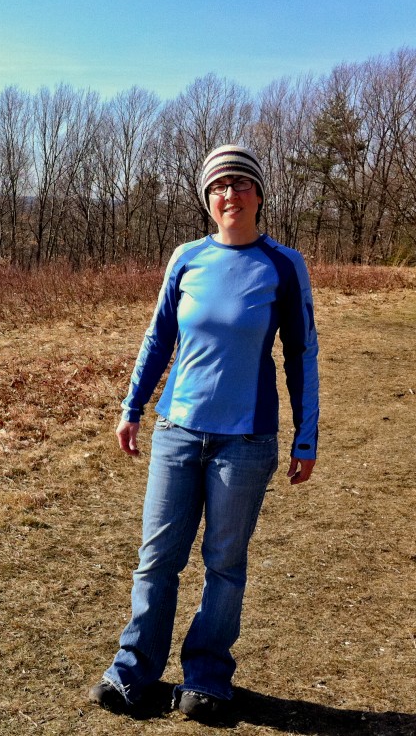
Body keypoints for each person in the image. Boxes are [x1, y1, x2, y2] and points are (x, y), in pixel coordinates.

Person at [88, 145, 319, 722]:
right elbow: (157, 338)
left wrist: (306, 435)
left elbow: (302, 353)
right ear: (207, 199)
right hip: (178, 431)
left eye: (241, 184)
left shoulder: (283, 265)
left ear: (259, 195)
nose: (230, 194)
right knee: (156, 558)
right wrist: (132, 406)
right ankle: (133, 673)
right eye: (219, 186)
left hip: (246, 442)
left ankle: (207, 678)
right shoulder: (186, 258)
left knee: (224, 563)